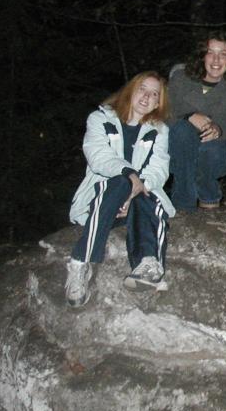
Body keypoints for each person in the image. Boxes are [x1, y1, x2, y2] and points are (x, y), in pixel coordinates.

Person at [65, 71, 176, 307]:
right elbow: (98, 156)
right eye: (142, 89)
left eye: (154, 94)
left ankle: (149, 264)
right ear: (131, 90)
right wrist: (129, 176)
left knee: (146, 194)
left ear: (158, 103)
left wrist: (137, 188)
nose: (146, 97)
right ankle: (80, 262)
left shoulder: (159, 130)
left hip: (136, 202)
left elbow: (159, 169)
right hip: (102, 200)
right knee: (121, 181)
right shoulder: (100, 118)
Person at [167, 31, 226, 211]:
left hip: (216, 151)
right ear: (203, 56)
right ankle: (183, 203)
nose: (216, 59)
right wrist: (188, 115)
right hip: (180, 147)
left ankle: (208, 197)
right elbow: (164, 112)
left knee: (209, 151)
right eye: (211, 52)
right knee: (182, 131)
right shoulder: (180, 78)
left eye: (223, 54)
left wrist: (218, 130)